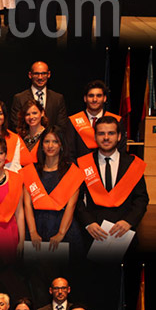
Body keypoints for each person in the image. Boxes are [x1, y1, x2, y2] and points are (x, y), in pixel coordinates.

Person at [75, 116, 148, 246]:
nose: (106, 138)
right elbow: (77, 199)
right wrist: (88, 223)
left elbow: (141, 199)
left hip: (125, 233)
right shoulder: (84, 164)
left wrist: (128, 221)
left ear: (119, 136)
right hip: (93, 233)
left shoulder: (133, 164)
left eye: (111, 133)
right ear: (95, 137)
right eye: (101, 133)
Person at [23, 129, 84, 254]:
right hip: (35, 226)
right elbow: (27, 205)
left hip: (63, 227)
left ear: (61, 145)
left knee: (63, 273)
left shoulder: (71, 172)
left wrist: (60, 234)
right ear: (41, 145)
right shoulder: (30, 171)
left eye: (55, 142)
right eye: (47, 142)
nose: (50, 146)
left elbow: (71, 206)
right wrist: (33, 232)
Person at [10, 62, 68, 135]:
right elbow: (16, 124)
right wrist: (33, 138)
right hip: (27, 143)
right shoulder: (19, 98)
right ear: (30, 75)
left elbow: (62, 125)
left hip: (51, 143)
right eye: (36, 74)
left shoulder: (58, 98)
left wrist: (48, 138)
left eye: (43, 73)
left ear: (49, 74)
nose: (40, 77)